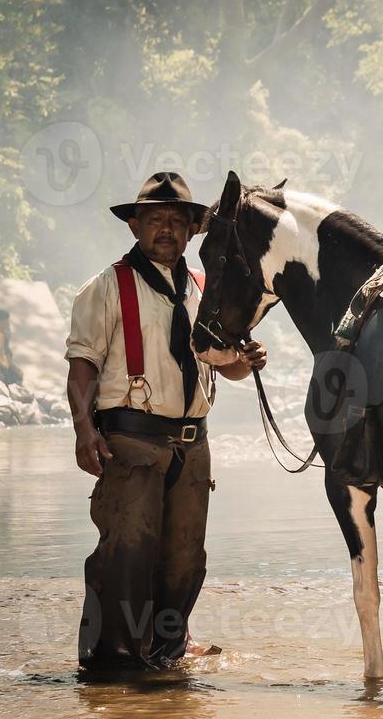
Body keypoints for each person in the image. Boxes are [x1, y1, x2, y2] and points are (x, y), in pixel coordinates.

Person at [65, 172, 267, 670]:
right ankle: (112, 662)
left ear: (193, 231)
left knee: (184, 559)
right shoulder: (107, 286)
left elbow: (226, 363)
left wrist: (248, 360)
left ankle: (166, 655)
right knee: (127, 555)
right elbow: (82, 364)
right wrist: (83, 429)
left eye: (177, 222)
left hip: (193, 446)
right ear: (135, 226)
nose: (167, 230)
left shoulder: (204, 287)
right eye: (156, 220)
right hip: (131, 440)